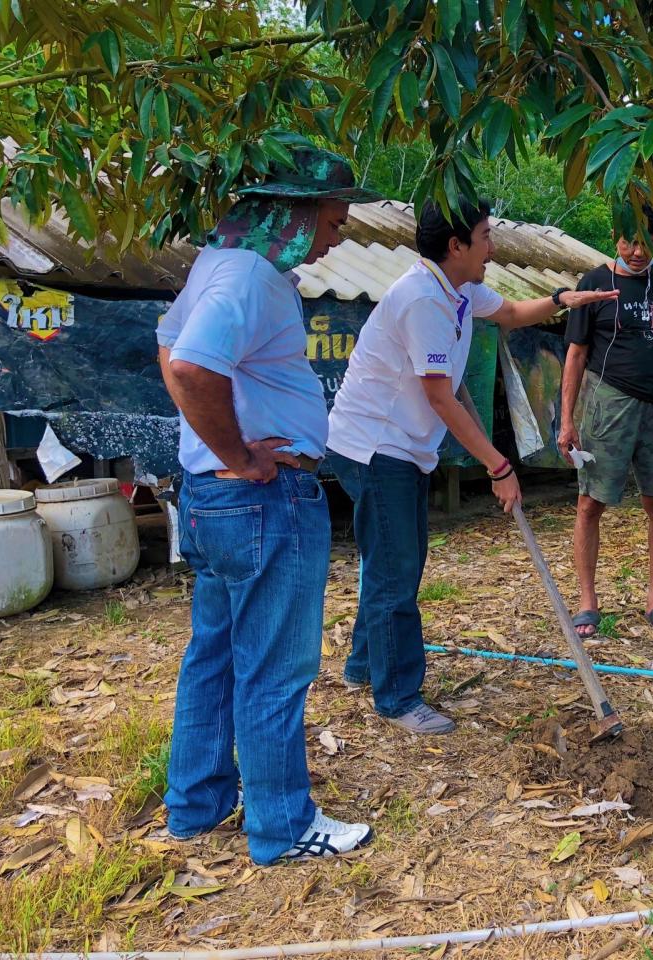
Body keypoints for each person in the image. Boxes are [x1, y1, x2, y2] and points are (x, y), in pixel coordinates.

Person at [156, 139, 384, 864]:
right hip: (262, 498)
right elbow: (191, 367)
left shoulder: (217, 266)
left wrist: (215, 456)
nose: (337, 233)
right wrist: (240, 453)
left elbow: (168, 346)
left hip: (213, 499)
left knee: (214, 655)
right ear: (291, 211)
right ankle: (282, 826)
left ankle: (196, 804)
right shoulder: (250, 276)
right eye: (333, 218)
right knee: (275, 666)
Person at [325, 199, 618, 735]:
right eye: (485, 236)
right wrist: (499, 466)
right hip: (374, 446)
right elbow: (441, 398)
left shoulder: (456, 288)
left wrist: (563, 300)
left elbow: (509, 314)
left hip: (399, 446)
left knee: (391, 562)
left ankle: (364, 667)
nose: (493, 246)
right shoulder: (421, 301)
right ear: (456, 246)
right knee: (396, 571)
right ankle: (396, 698)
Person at [557, 206, 653, 639]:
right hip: (608, 403)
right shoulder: (595, 283)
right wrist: (566, 421)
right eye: (628, 241)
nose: (637, 251)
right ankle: (587, 602)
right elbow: (576, 354)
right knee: (590, 503)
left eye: (646, 242)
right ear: (614, 235)